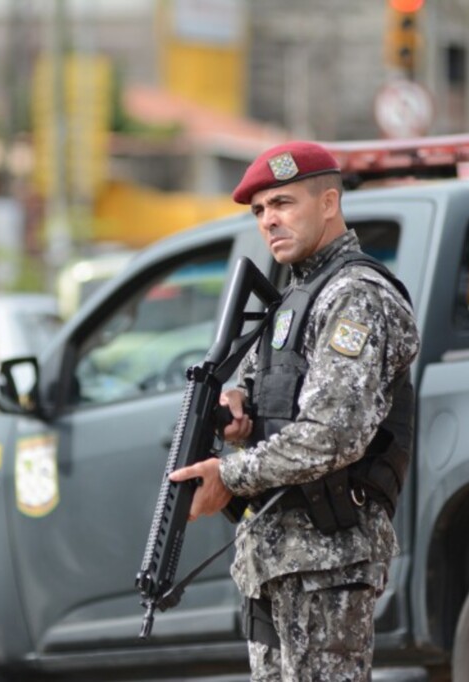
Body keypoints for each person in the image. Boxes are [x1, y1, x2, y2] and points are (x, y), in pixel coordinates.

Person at [169, 141, 420, 680]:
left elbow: (333, 434)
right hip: (278, 557)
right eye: (260, 211)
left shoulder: (356, 296)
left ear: (328, 203)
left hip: (328, 559)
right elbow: (280, 407)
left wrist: (229, 476)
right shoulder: (297, 298)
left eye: (283, 204)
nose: (268, 221)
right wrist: (242, 415)